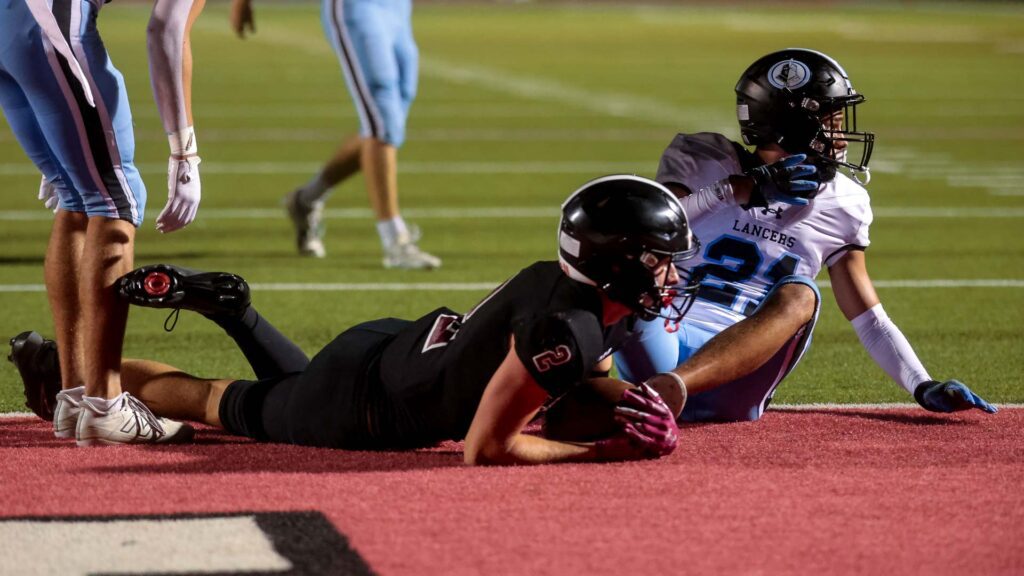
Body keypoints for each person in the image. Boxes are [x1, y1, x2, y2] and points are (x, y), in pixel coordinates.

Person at [12, 176, 699, 464]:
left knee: (284, 390)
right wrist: (602, 454)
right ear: (619, 260)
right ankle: (63, 376)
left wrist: (640, 410)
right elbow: (485, 449)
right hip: (366, 408)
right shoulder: (567, 330)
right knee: (213, 401)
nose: (671, 275)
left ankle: (238, 314)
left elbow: (593, 372)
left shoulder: (577, 293)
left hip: (386, 350)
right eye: (661, 260)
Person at [548, 49, 995, 436]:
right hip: (662, 336)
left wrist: (921, 382)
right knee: (610, 265)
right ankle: (554, 378)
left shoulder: (845, 201)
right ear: (789, 126)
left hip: (739, 374)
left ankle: (656, 391)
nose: (840, 135)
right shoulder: (706, 159)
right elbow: (641, 227)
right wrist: (737, 189)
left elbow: (869, 317)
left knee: (802, 293)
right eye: (830, 119)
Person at [1, 0, 205, 446]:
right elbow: (166, 32)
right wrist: (184, 150)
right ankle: (105, 405)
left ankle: (73, 399)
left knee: (78, 197)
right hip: (45, 25)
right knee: (116, 200)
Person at [230, 0, 441, 269]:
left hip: (397, 8)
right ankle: (395, 240)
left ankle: (305, 199)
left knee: (387, 124)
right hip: (356, 7)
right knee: (382, 117)